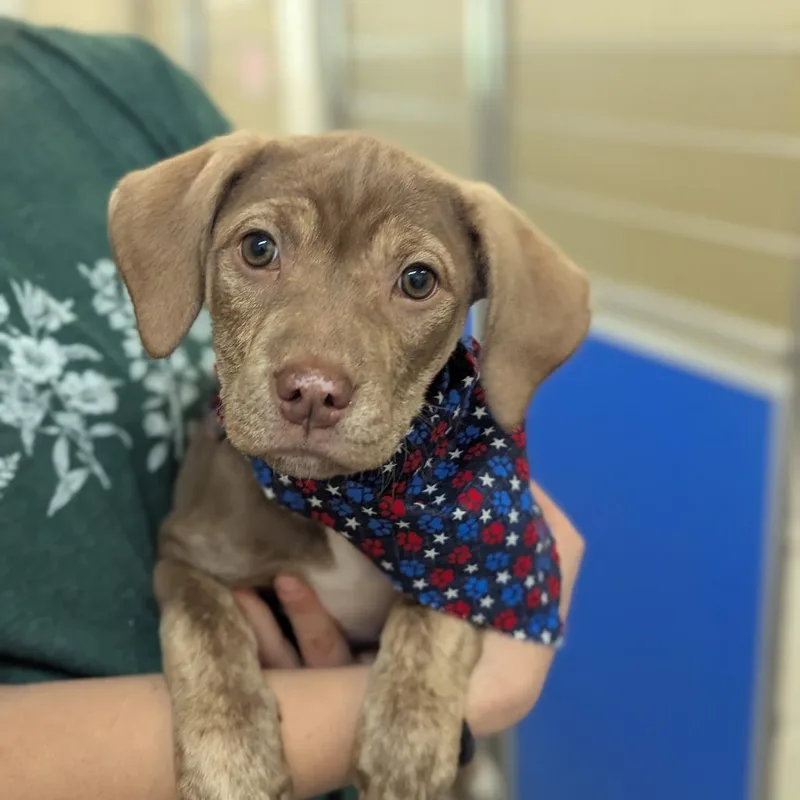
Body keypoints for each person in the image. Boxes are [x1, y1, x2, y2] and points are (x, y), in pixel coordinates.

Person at [0, 17, 585, 800]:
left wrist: (434, 660)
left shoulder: (116, 83)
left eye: (415, 281)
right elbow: (187, 565)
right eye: (260, 250)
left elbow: (493, 568)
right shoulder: (222, 483)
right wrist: (235, 697)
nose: (316, 379)